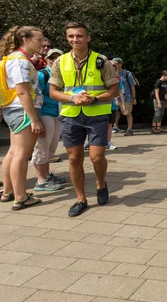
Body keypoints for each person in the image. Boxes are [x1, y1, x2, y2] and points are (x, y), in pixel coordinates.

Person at [49, 22, 119, 217]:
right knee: (74, 158)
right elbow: (53, 92)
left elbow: (114, 90)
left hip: (96, 114)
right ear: (66, 38)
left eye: (79, 36)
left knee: (97, 157)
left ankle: (100, 182)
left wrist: (95, 98)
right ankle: (81, 199)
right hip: (71, 116)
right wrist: (72, 97)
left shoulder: (101, 61)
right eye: (71, 36)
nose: (75, 40)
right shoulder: (60, 62)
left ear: (88, 38)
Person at [0, 26, 45, 210]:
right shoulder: (20, 62)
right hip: (23, 111)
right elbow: (23, 92)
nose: (42, 43)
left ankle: (9, 191)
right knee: (21, 154)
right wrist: (34, 120)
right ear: (25, 39)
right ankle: (21, 197)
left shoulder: (15, 59)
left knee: (13, 152)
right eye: (39, 39)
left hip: (16, 110)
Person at [32, 48, 67, 191]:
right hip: (44, 112)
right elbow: (34, 95)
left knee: (51, 148)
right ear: (46, 59)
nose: (54, 60)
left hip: (57, 113)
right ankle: (41, 180)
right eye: (52, 58)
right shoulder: (42, 74)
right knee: (42, 146)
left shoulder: (63, 75)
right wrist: (36, 118)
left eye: (58, 58)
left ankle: (46, 176)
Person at [113, 57, 136, 136]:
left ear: (120, 64)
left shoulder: (127, 73)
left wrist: (134, 98)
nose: (114, 65)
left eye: (116, 64)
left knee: (127, 113)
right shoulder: (112, 73)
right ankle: (115, 127)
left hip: (126, 97)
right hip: (115, 97)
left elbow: (132, 86)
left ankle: (129, 129)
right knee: (116, 112)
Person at [107, 60, 125, 150]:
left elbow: (120, 91)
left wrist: (123, 103)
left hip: (113, 104)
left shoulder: (118, 79)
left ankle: (108, 142)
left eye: (114, 66)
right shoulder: (102, 77)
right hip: (102, 104)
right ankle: (91, 142)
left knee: (110, 124)